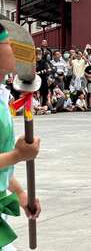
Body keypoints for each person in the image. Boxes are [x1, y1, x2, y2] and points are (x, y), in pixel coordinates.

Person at [0, 22, 42, 248]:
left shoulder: (2, 96)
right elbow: (8, 157)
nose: (15, 48)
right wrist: (18, 155)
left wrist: (20, 194)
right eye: (8, 43)